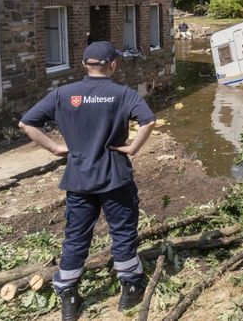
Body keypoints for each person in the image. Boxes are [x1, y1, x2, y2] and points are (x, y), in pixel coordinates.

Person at [19, 41, 157, 321]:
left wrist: (55, 148)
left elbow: (26, 123)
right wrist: (133, 148)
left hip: (78, 178)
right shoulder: (123, 94)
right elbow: (149, 121)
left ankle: (69, 297)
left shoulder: (63, 94)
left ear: (84, 65)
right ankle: (130, 290)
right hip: (115, 177)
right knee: (122, 231)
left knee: (76, 236)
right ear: (113, 65)